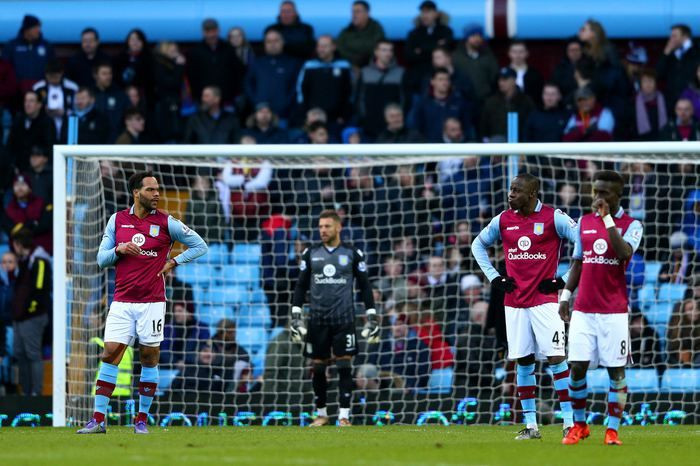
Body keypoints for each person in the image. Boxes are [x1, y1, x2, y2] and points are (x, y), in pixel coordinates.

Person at [77, 171, 208, 434]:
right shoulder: (117, 220)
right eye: (150, 190)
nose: (156, 194)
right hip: (122, 302)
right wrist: (118, 250)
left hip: (152, 303)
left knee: (149, 358)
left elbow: (199, 245)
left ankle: (141, 421)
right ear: (136, 192)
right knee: (110, 354)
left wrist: (174, 261)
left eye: (157, 189)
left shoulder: (167, 223)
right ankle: (98, 420)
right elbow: (101, 260)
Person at [471, 173, 578, 440]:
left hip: (545, 302)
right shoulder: (504, 219)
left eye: (516, 190)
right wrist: (495, 277)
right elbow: (477, 245)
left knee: (556, 359)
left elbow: (585, 244)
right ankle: (531, 426)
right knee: (523, 361)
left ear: (532, 194)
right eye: (510, 189)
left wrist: (563, 280)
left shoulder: (554, 218)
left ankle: (569, 422)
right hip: (514, 302)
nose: (511, 194)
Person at [559, 170, 644, 446]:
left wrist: (608, 220)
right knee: (577, 368)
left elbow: (623, 253)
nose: (598, 197)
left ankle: (612, 430)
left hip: (614, 312)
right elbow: (578, 263)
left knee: (615, 372)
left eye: (604, 193)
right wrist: (564, 297)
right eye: (595, 191)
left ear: (618, 195)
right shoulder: (583, 222)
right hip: (584, 309)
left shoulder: (632, 225)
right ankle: (580, 425)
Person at [290, 210, 378, 426]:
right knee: (318, 367)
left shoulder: (352, 253)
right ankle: (321, 414)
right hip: (317, 319)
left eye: (327, 226)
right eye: (320, 226)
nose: (322, 230)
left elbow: (365, 286)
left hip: (344, 319)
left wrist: (372, 315)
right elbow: (301, 285)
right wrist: (295, 314)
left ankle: (344, 416)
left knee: (344, 365)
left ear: (338, 227)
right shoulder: (311, 253)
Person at [10, 228, 51, 396]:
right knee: (20, 354)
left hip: (33, 316)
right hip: (20, 317)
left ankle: (36, 394)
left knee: (33, 354)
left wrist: (28, 309)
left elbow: (40, 289)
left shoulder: (39, 262)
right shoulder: (24, 262)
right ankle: (25, 392)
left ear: (18, 244)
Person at [245, 27, 300, 121]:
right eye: (269, 41)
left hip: (283, 115)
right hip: (260, 115)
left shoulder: (292, 63)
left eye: (276, 41)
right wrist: (256, 101)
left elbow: (295, 87)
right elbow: (248, 84)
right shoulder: (257, 63)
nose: (272, 44)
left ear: (283, 42)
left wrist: (285, 104)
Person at [186, 18, 245, 106]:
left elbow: (238, 72)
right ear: (203, 32)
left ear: (218, 31)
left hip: (227, 99)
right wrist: (198, 96)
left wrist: (235, 93)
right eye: (208, 31)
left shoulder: (229, 49)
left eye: (213, 31)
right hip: (204, 101)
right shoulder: (195, 52)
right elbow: (192, 77)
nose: (211, 34)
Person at [296, 35, 353, 124]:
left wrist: (344, 115)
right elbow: (301, 90)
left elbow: (349, 91)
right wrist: (305, 112)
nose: (321, 49)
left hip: (337, 118)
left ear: (333, 47)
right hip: (314, 116)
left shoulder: (344, 65)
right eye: (319, 46)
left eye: (325, 46)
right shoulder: (309, 65)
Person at [356, 40, 405, 138]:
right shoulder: (365, 72)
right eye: (384, 50)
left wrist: (396, 119)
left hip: (392, 127)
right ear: (376, 52)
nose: (388, 54)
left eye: (390, 50)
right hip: (369, 127)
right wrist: (363, 117)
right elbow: (359, 97)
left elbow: (404, 98)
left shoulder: (401, 73)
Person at [409, 67, 473, 142]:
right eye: (440, 79)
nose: (444, 83)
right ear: (432, 81)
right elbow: (416, 128)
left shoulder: (460, 103)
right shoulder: (422, 104)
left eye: (447, 79)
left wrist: (460, 137)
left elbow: (467, 129)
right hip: (430, 149)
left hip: (454, 149)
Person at [404, 1, 454, 95]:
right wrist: (435, 45)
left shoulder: (446, 31)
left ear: (436, 14)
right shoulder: (413, 33)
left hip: (441, 79)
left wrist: (421, 50)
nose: (425, 15)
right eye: (423, 12)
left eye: (428, 12)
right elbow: (409, 55)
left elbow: (446, 49)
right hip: (418, 80)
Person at [480, 67, 535, 142]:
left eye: (505, 80)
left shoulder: (526, 101)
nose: (501, 83)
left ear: (514, 80)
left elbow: (531, 124)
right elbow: (484, 125)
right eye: (499, 80)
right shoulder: (491, 101)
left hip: (521, 143)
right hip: (496, 145)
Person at [1, 174, 52, 254]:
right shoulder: (9, 209)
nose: (20, 188)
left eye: (23, 184)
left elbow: (45, 225)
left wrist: (23, 227)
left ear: (30, 188)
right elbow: (11, 230)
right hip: (18, 254)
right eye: (17, 185)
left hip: (42, 251)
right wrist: (32, 225)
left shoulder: (41, 204)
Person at [3, 15, 54, 93]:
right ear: (27, 29)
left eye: (39, 27)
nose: (38, 30)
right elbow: (4, 69)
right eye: (35, 27)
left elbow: (52, 67)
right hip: (16, 92)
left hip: (41, 90)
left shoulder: (46, 46)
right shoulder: (12, 46)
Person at [6, 90, 55, 171]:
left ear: (39, 104)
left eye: (31, 101)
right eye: (26, 101)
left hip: (40, 169)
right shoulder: (18, 120)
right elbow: (10, 145)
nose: (27, 104)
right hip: (18, 168)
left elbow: (50, 148)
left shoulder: (47, 122)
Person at [656, 24, 700, 112]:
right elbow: (658, 74)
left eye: (674, 36)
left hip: (694, 101)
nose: (671, 39)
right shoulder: (670, 55)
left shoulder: (697, 52)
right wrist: (666, 53)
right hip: (672, 102)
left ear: (685, 36)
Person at [453, 24, 498, 105]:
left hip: (485, 101)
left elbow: (494, 77)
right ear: (466, 38)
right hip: (463, 102)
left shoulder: (488, 56)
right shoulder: (456, 57)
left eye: (479, 36)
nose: (477, 39)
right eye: (473, 36)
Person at [32, 59, 78, 136]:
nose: (53, 79)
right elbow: (33, 107)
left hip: (67, 122)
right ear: (46, 75)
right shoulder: (38, 88)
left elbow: (78, 109)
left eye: (56, 77)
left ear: (61, 74)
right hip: (43, 123)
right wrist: (43, 111)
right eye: (51, 76)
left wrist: (65, 112)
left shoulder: (72, 88)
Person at [152, 41, 186, 143]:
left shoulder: (172, 64)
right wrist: (180, 66)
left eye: (176, 50)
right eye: (172, 50)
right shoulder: (159, 65)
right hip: (167, 107)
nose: (176, 53)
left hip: (177, 104)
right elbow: (171, 83)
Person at [337, 1, 385, 69]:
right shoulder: (346, 31)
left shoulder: (376, 29)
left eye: (358, 11)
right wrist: (353, 61)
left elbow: (376, 48)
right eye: (353, 12)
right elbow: (340, 49)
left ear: (367, 13)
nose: (354, 15)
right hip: (350, 67)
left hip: (372, 67)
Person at [160, 302, 209, 369]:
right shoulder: (168, 328)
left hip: (194, 367)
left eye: (180, 311)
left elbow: (202, 349)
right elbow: (164, 350)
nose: (176, 314)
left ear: (189, 313)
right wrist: (176, 362)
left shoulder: (202, 328)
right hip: (170, 366)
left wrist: (187, 363)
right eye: (175, 311)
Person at [113, 29, 154, 105]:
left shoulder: (150, 59)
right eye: (132, 39)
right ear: (128, 42)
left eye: (138, 39)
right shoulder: (119, 59)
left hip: (144, 99)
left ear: (143, 42)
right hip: (122, 97)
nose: (135, 42)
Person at [93, 62, 129, 142]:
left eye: (110, 73)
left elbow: (128, 116)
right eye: (104, 74)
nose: (108, 77)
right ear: (95, 76)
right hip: (93, 143)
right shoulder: (89, 94)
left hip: (115, 142)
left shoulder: (120, 95)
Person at [634, 69, 668, 141]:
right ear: (640, 83)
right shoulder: (634, 101)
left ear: (655, 83)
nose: (648, 84)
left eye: (651, 81)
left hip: (660, 140)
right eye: (645, 81)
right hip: (640, 141)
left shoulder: (663, 99)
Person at [508, 41, 544, 105]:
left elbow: (539, 96)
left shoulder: (534, 74)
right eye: (514, 52)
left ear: (527, 53)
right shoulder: (502, 74)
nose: (518, 55)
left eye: (521, 52)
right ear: (509, 53)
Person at [666, 298, 700, 366]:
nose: (695, 311)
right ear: (682, 312)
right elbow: (671, 353)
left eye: (697, 308)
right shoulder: (675, 329)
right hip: (679, 365)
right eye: (690, 309)